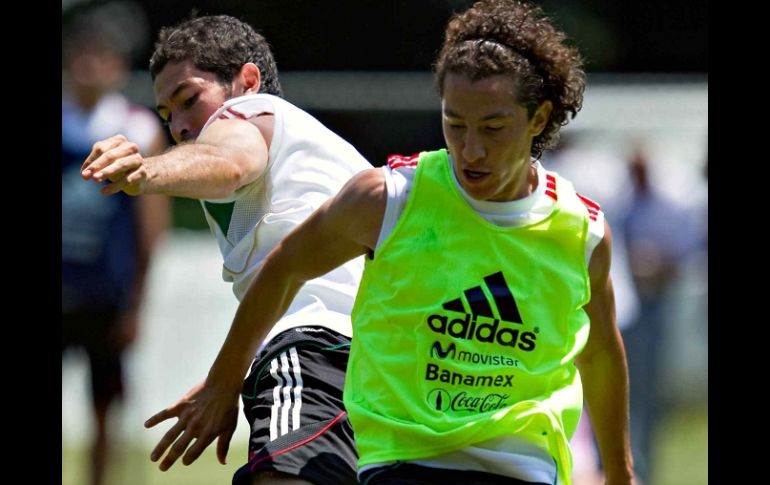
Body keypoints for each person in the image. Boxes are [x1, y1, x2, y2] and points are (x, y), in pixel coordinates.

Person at [141, 2, 634, 484]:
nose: (471, 149)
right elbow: (284, 265)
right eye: (454, 124)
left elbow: (600, 353)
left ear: (539, 118)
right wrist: (226, 380)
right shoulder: (392, 196)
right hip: (407, 459)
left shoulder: (581, 231)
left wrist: (620, 473)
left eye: (493, 128)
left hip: (524, 465)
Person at [80, 14, 372, 485]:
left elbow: (229, 160)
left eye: (188, 100)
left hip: (316, 350)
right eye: (165, 115)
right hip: (384, 363)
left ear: (247, 82)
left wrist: (144, 173)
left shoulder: (247, 115)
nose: (177, 125)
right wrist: (229, 376)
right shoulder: (308, 153)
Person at [62, 4, 170, 485]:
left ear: (116, 67)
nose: (88, 68)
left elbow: (152, 225)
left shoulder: (138, 129)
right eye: (79, 57)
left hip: (105, 291)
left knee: (104, 405)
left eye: (98, 58)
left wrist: (137, 304)